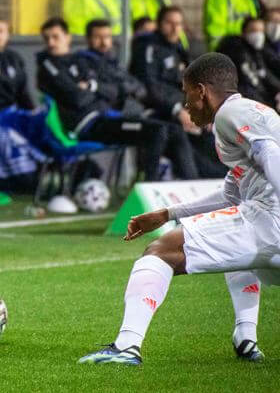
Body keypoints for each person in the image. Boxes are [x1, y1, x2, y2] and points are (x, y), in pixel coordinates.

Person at [78, 53, 280, 365]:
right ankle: (246, 337)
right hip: (266, 222)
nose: (185, 104)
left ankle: (126, 347)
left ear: (201, 91)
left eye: (186, 94)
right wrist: (166, 214)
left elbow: (269, 154)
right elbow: (231, 191)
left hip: (269, 217)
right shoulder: (254, 112)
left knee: (160, 250)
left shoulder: (230, 114)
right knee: (238, 255)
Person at [37, 18, 197, 181]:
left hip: (108, 117)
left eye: (55, 37)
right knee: (157, 131)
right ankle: (150, 187)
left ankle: (192, 186)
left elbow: (115, 91)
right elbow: (78, 98)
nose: (51, 42)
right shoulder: (49, 67)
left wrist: (93, 87)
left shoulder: (80, 61)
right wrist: (98, 91)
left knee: (174, 130)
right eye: (47, 38)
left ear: (67, 37)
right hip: (90, 124)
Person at [130, 6, 223, 176]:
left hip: (183, 110)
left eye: (179, 24)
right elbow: (150, 87)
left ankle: (221, 182)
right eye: (169, 23)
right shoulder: (147, 47)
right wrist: (176, 110)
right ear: (159, 24)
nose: (175, 28)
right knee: (181, 138)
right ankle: (192, 182)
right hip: (158, 112)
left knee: (214, 136)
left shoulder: (178, 48)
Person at [217, 17, 280, 108]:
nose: (258, 35)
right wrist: (270, 105)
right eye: (253, 31)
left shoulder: (257, 51)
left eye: (261, 31)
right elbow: (249, 83)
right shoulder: (238, 51)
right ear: (243, 33)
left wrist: (277, 91)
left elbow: (265, 74)